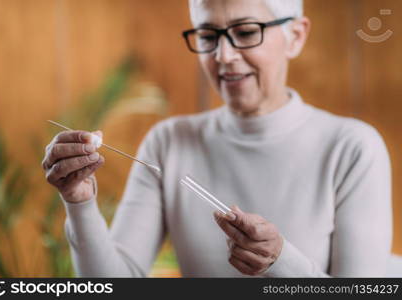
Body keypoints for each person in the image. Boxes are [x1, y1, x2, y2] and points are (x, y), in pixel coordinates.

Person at [42, 0, 392, 277]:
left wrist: (282, 262)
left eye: (245, 31)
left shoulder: (352, 148)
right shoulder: (168, 142)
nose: (223, 56)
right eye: (208, 36)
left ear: (296, 36)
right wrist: (80, 204)